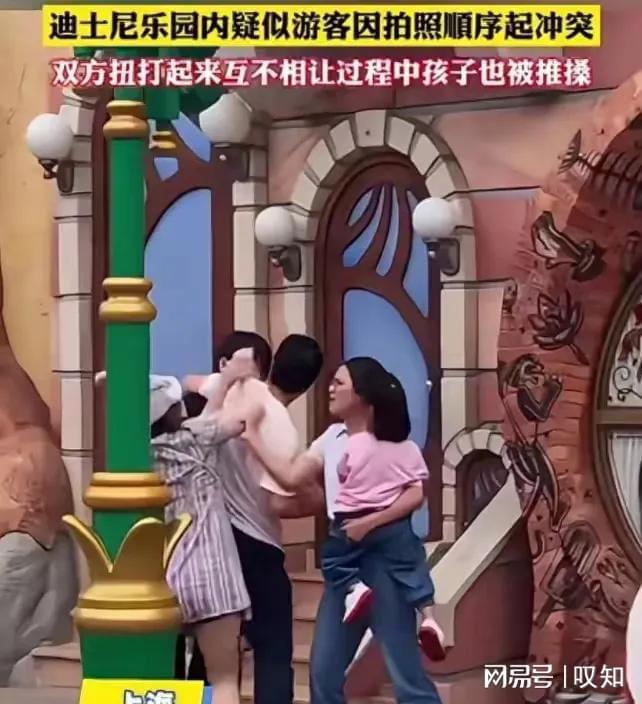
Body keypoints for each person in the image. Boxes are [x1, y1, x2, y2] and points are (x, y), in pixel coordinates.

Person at [243, 357, 443, 704]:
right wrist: (254, 441)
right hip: (344, 564)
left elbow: (415, 497)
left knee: (405, 675)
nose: (331, 389)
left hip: (383, 561)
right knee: (323, 673)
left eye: (340, 383)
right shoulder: (332, 437)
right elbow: (292, 477)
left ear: (362, 395)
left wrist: (370, 523)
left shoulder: (394, 444)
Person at [183, 331, 325, 704]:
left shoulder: (237, 390)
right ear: (307, 386)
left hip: (214, 541)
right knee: (273, 647)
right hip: (258, 545)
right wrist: (317, 500)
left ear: (273, 363)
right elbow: (278, 504)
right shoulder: (285, 431)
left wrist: (226, 378)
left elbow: (191, 381)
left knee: (212, 648)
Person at [318, 370, 445, 661]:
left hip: (353, 518)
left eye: (339, 383)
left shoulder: (355, 443)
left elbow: (343, 472)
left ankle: (354, 588)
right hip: (395, 526)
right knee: (413, 566)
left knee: (333, 559)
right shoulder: (409, 449)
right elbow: (416, 492)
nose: (331, 388)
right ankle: (428, 617)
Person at [149, 372, 253, 704]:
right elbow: (240, 420)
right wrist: (223, 380)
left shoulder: (141, 454)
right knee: (224, 682)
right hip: (213, 577)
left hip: (166, 579)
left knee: (162, 687)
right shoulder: (197, 437)